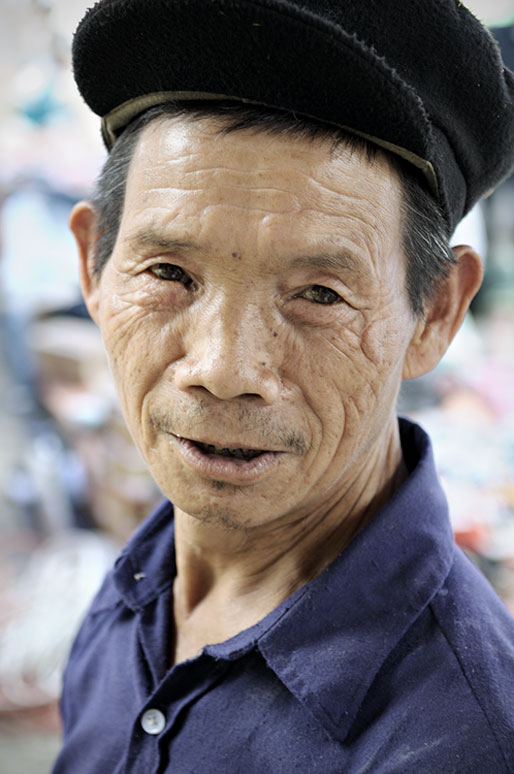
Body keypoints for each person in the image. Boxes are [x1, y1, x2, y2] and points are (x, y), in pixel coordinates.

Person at [52, 1, 514, 771]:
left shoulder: (463, 740)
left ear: (434, 313)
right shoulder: (138, 588)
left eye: (320, 295)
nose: (225, 369)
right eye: (170, 273)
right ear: (94, 265)